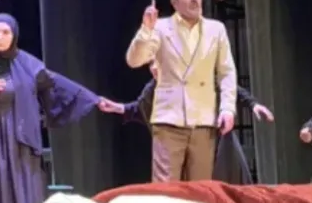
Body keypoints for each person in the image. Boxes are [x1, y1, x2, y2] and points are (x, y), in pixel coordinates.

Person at [0, 14, 122, 203]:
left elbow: (56, 82)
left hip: (17, 135)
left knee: (20, 187)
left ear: (14, 36)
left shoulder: (27, 63)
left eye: (5, 32)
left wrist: (93, 99)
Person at [125, 0, 238, 182]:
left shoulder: (216, 29)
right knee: (166, 189)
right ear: (174, 2)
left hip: (203, 119)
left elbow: (227, 72)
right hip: (169, 119)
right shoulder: (160, 28)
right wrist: (146, 30)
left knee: (200, 188)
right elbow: (134, 60)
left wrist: (227, 108)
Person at [117, 62, 273, 183]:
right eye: (151, 65)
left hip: (216, 145)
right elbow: (140, 109)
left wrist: (253, 104)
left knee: (226, 188)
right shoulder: (153, 90)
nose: (154, 68)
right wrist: (118, 108)